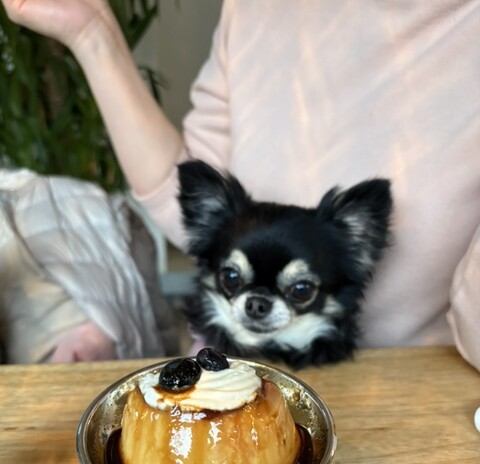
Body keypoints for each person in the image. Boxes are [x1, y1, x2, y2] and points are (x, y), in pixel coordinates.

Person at [2, 0, 479, 371]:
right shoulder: (256, 7)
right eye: (233, 280)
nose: (256, 304)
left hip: (410, 389)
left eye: (299, 290)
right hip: (224, 370)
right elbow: (180, 195)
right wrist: (91, 32)